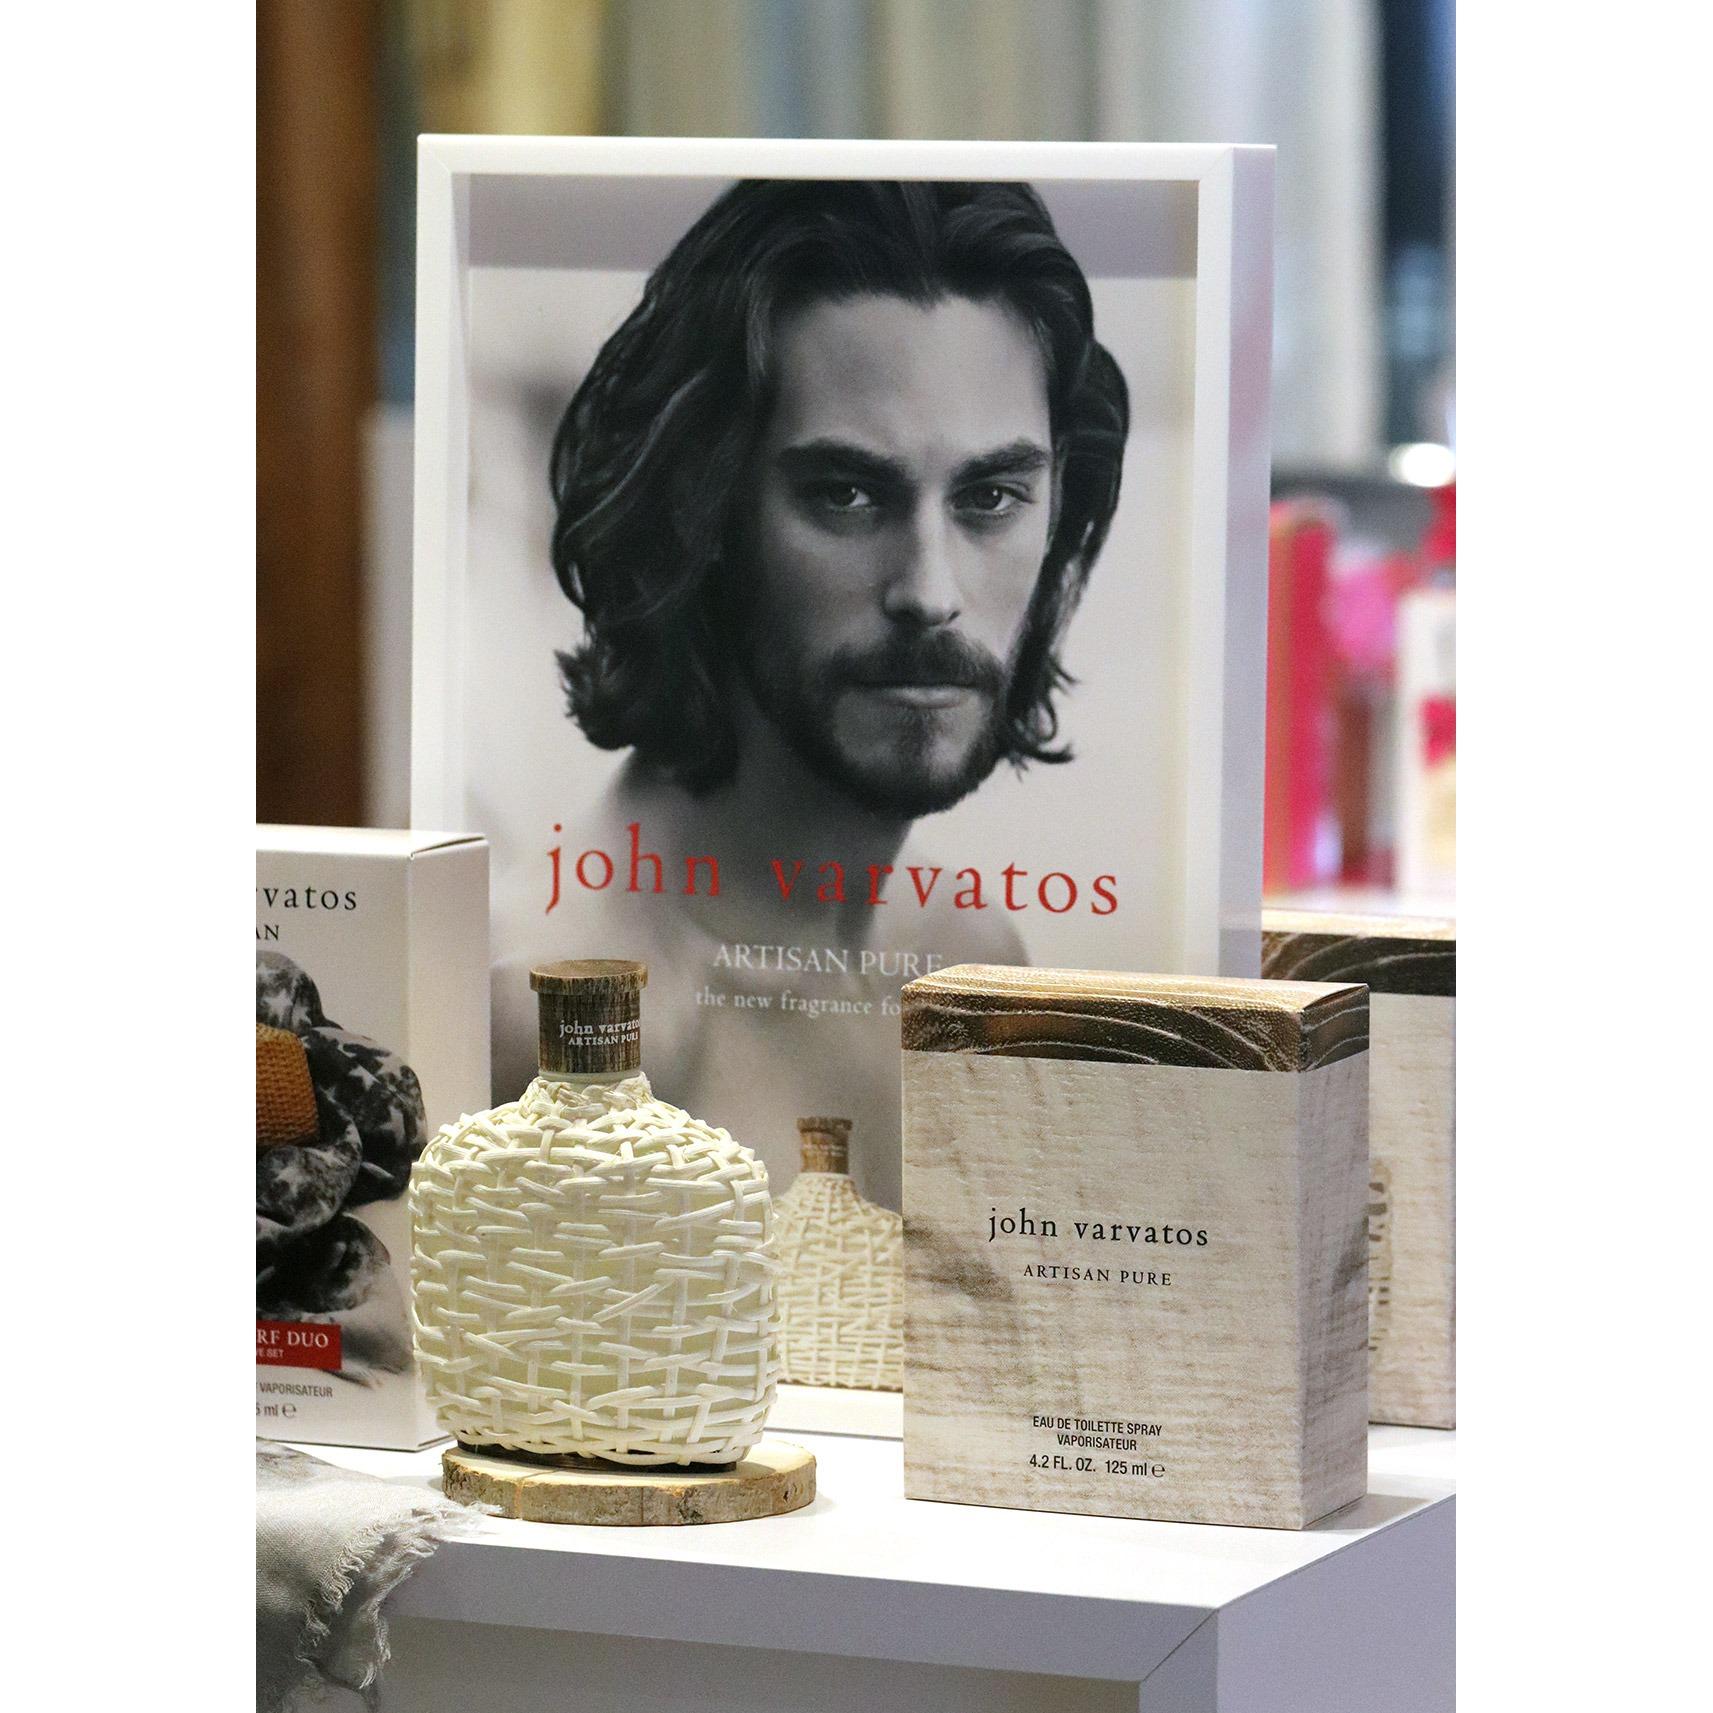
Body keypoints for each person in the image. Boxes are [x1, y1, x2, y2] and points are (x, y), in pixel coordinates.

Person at [505, 180, 1131, 1205]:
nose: (929, 592)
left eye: (990, 496)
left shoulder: (970, 957)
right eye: (845, 494)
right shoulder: (567, 1016)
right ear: (704, 512)